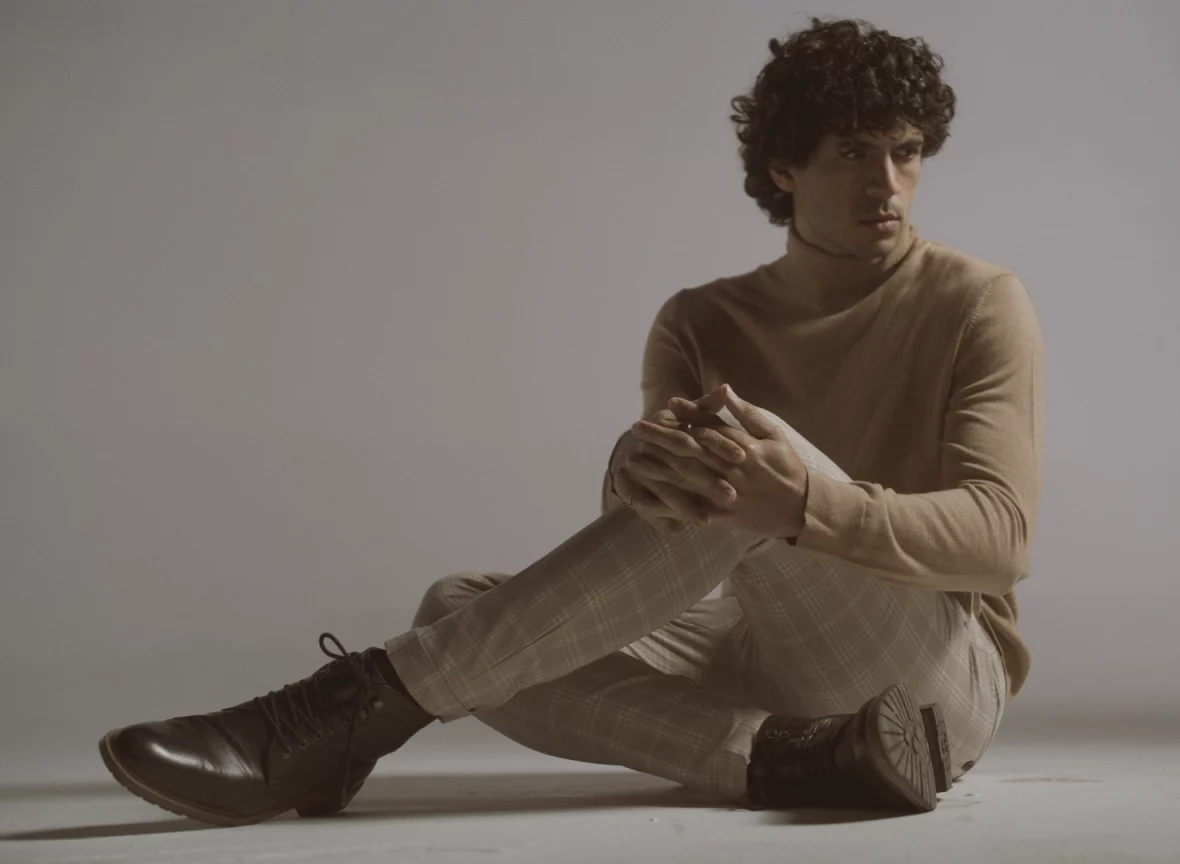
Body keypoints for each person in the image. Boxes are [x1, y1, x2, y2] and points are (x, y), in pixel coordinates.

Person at [97, 16, 1044, 826]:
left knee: (745, 461)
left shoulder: (977, 300)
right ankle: (797, 759)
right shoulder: (699, 319)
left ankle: (341, 714)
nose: (889, 182)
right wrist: (630, 466)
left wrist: (802, 501)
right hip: (766, 650)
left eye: (907, 150)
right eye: (853, 152)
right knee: (457, 607)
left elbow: (1001, 540)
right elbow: (650, 539)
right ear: (784, 167)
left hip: (930, 676)